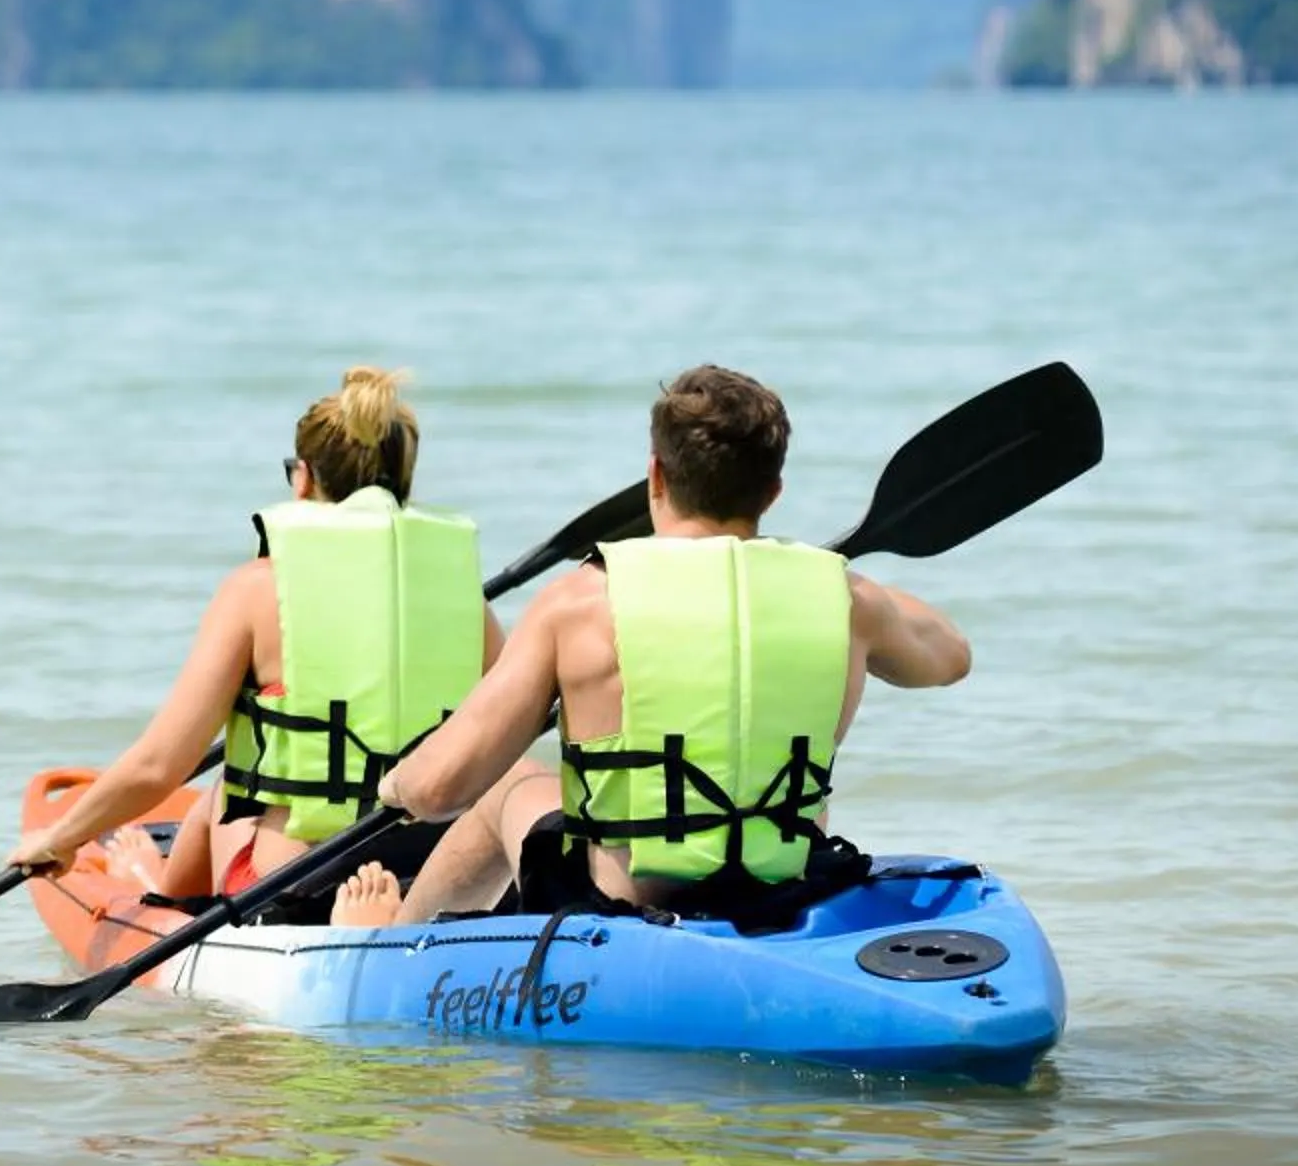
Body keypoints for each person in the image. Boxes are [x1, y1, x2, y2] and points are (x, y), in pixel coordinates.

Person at [343, 364, 971, 927]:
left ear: (656, 477)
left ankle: (388, 944)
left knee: (513, 782)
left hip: (624, 908)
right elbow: (950, 657)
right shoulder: (848, 601)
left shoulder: (580, 602)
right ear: (773, 492)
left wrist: (397, 784)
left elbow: (440, 789)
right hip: (786, 891)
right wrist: (827, 575)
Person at [7, 367, 505, 921]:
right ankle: (408, 916)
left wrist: (61, 839)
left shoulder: (258, 589)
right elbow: (506, 738)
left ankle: (154, 892)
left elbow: (159, 766)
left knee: (225, 789)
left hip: (301, 882)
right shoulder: (465, 600)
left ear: (303, 479)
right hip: (432, 865)